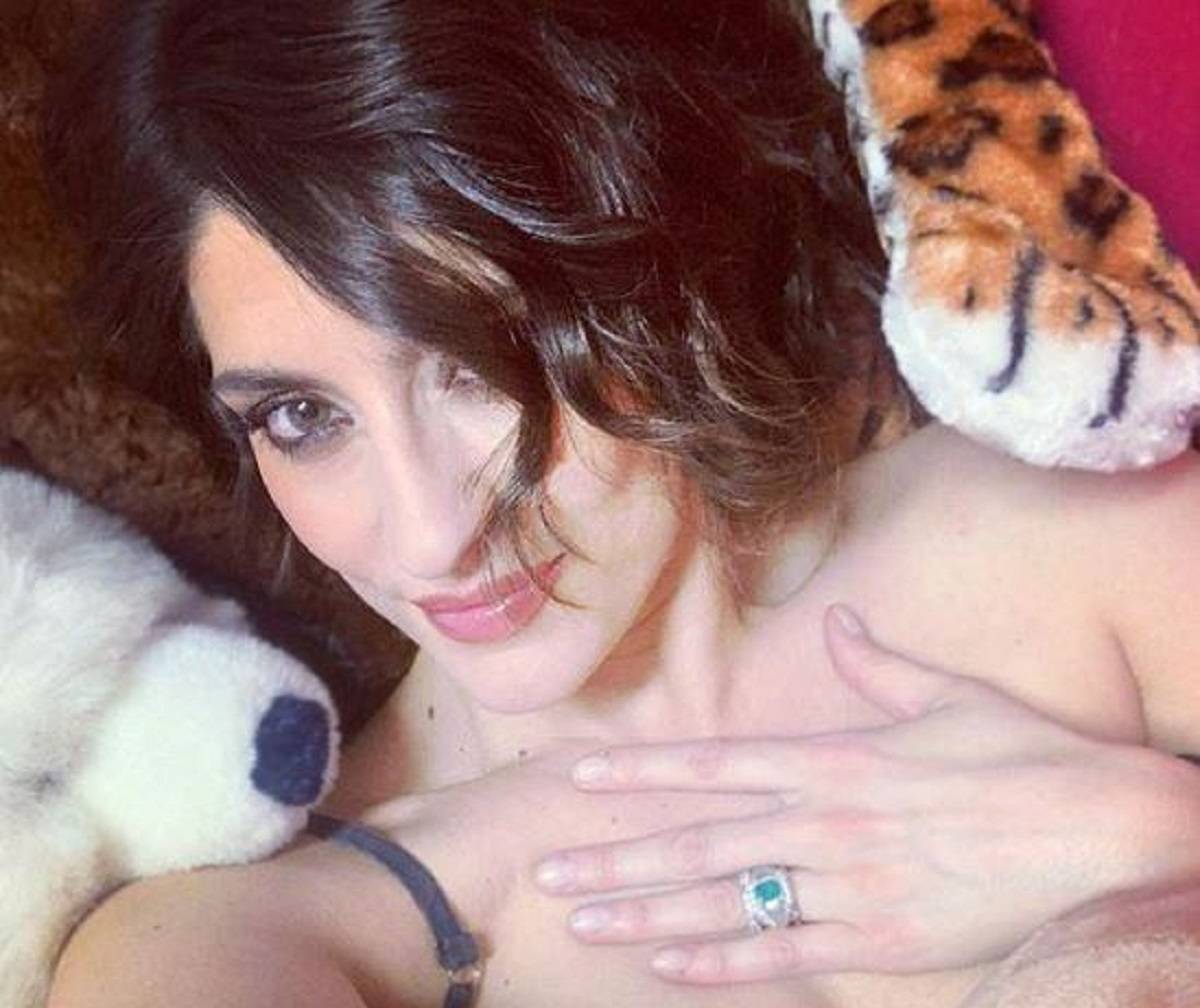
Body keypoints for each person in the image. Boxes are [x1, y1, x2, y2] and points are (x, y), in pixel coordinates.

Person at [42, 1, 1200, 1006]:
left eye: (489, 361)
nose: (433, 534)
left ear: (676, 256)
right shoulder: (249, 927)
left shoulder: (1082, 547)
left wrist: (1153, 838)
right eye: (304, 418)